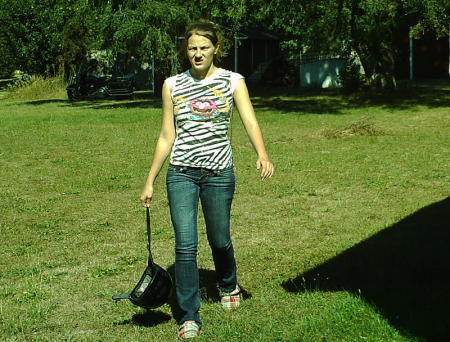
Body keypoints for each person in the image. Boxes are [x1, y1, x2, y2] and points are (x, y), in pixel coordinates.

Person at [140, 20, 274, 339]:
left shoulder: (233, 81)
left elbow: (250, 121)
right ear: (185, 51)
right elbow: (165, 136)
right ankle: (189, 315)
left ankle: (228, 284)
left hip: (219, 173)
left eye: (204, 48)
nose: (198, 54)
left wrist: (262, 154)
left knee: (219, 239)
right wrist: (150, 180)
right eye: (192, 48)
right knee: (185, 245)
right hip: (181, 173)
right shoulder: (172, 85)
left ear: (216, 49)